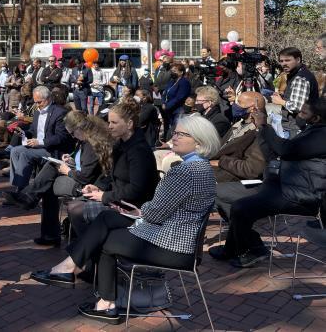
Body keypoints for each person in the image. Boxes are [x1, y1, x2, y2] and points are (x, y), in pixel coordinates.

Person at [30, 115, 219, 325]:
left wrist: (140, 210)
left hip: (173, 245)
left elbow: (156, 213)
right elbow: (163, 210)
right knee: (107, 217)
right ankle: (73, 271)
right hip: (174, 234)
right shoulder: (201, 168)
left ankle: (102, 300)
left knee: (105, 240)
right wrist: (136, 210)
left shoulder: (185, 172)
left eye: (181, 134)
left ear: (199, 142)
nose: (173, 137)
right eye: (174, 132)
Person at [209, 99, 326, 268]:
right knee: (221, 194)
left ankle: (254, 248)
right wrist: (261, 129)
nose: (298, 116)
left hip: (297, 195)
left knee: (240, 207)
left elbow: (285, 149)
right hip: (276, 185)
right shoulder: (312, 130)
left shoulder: (321, 136)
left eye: (303, 113)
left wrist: (265, 126)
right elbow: (274, 152)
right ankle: (235, 247)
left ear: (316, 118)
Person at [4, 111, 113, 247]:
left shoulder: (90, 144)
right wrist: (72, 160)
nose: (73, 137)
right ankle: (34, 204)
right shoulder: (85, 140)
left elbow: (85, 176)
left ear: (80, 128)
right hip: (79, 177)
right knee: (50, 175)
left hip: (86, 184)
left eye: (73, 134)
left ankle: (32, 200)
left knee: (49, 182)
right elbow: (85, 165)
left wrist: (67, 171)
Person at [66, 102, 158, 236]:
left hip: (133, 206)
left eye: (114, 123)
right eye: (109, 122)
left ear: (129, 124)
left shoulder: (139, 151)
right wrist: (96, 187)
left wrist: (105, 196)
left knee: (76, 210)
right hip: (118, 198)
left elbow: (137, 189)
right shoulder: (120, 144)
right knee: (74, 205)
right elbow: (110, 175)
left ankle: (95, 248)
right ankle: (92, 247)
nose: (109, 126)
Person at [211, 92, 268, 220]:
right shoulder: (238, 125)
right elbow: (220, 149)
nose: (235, 105)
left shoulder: (260, 133)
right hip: (218, 170)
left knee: (191, 183)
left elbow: (252, 170)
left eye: (240, 103)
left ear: (253, 108)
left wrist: (221, 162)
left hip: (233, 179)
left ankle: (238, 225)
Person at [8, 86, 73, 191]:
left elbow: (61, 137)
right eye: (35, 102)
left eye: (39, 102)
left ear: (48, 99)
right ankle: (18, 184)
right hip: (38, 146)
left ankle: (21, 191)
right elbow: (33, 131)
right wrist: (23, 133)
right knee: (15, 151)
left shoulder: (60, 112)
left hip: (52, 149)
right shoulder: (38, 112)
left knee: (25, 154)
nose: (37, 105)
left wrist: (39, 142)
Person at [270, 47, 319, 136]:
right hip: (294, 125)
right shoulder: (296, 74)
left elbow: (298, 106)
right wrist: (284, 95)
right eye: (281, 61)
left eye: (287, 60)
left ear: (298, 60)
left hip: (298, 127)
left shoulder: (300, 78)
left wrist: (280, 101)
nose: (284, 64)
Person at [162, 62, 191, 139]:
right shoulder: (172, 81)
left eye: (174, 71)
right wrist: (163, 103)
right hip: (169, 110)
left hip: (178, 110)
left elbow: (180, 97)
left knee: (176, 129)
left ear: (181, 72)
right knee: (170, 128)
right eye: (171, 71)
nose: (172, 72)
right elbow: (165, 93)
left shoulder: (184, 82)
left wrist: (167, 106)